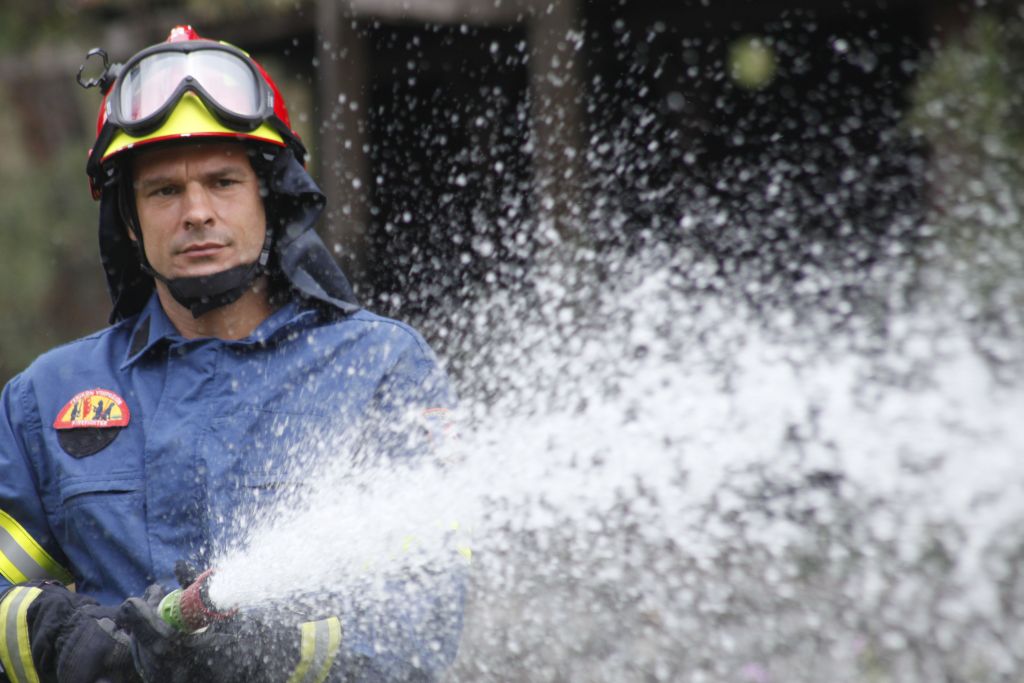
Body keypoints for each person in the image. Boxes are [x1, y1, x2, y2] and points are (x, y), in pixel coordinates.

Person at [0, 25, 463, 683]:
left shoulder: (378, 367)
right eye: (163, 190)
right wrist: (58, 635)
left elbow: (429, 606)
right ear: (130, 220)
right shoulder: (47, 398)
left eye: (222, 182)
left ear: (269, 197)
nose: (196, 212)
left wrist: (275, 650)